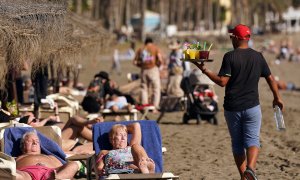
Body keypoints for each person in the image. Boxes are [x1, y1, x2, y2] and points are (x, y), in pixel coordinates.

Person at [192, 24, 284, 180]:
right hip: (252, 106)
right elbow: (270, 77)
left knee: (237, 143)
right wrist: (277, 97)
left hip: (232, 107)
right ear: (248, 38)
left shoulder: (230, 56)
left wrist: (203, 69)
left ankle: (244, 176)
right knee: (253, 139)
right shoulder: (258, 56)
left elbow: (222, 82)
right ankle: (251, 169)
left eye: (231, 36)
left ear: (234, 38)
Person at [16, 131, 80, 180]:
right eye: (30, 141)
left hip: (51, 175)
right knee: (14, 174)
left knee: (73, 165)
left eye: (37, 141)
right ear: (23, 146)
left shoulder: (51, 157)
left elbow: (62, 168)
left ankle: (57, 178)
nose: (35, 143)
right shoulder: (18, 158)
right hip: (27, 174)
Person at [133, 37, 163, 111]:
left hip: (143, 70)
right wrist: (158, 66)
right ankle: (155, 107)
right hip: (153, 69)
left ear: (145, 42)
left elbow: (134, 62)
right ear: (152, 42)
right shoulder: (155, 48)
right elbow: (160, 59)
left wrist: (141, 66)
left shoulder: (141, 49)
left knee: (144, 89)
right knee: (156, 89)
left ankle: (145, 106)